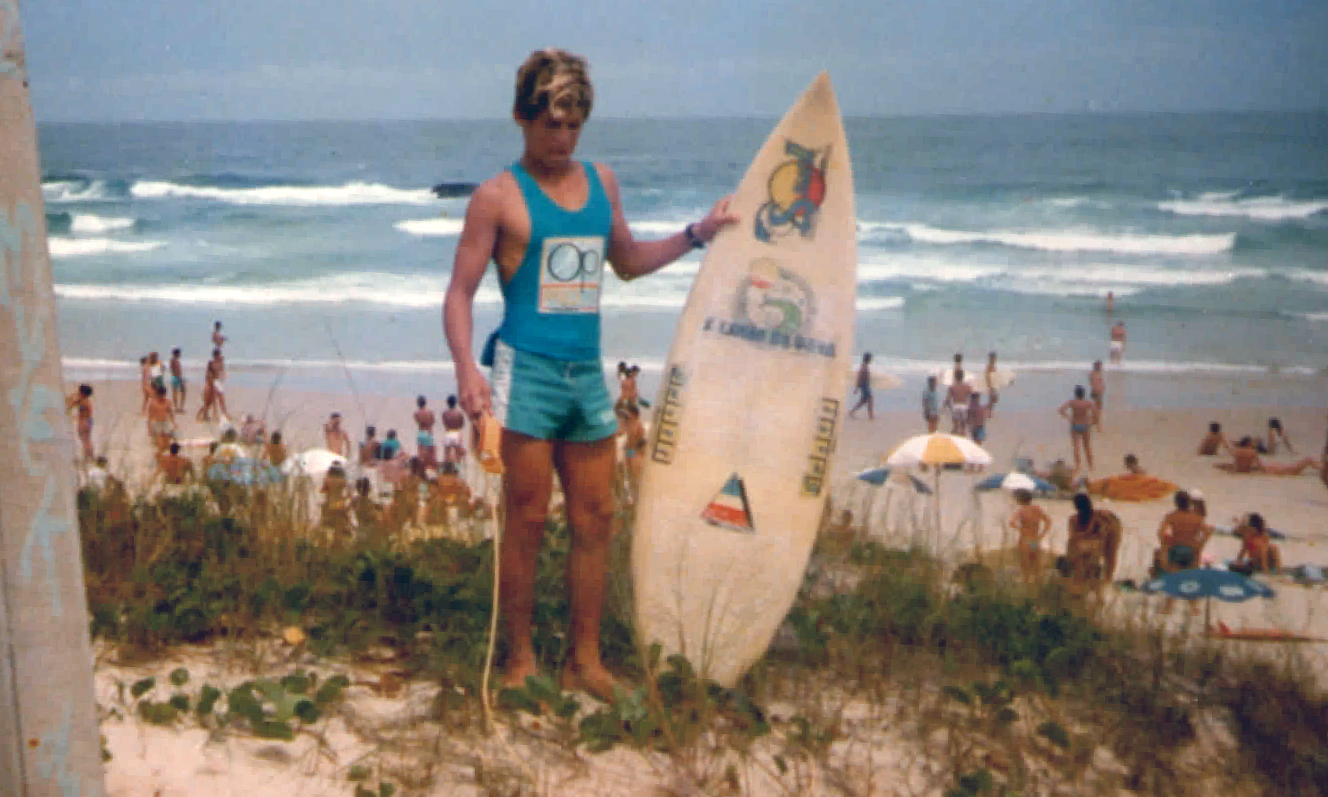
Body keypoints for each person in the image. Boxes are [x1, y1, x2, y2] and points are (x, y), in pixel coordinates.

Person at [442, 48, 736, 701]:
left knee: (597, 514)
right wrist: (468, 371)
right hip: (525, 373)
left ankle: (585, 660)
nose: (563, 138)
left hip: (584, 376)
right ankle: (518, 660)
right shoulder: (496, 198)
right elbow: (458, 293)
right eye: (551, 124)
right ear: (523, 117)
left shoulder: (602, 183)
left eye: (574, 125)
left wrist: (699, 232)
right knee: (526, 519)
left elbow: (627, 261)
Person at [1153, 492, 1212, 610]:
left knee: (1174, 579)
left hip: (1176, 549)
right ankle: (1194, 608)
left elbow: (1161, 532)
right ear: (1189, 503)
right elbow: (1207, 532)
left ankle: (1168, 607)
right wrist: (1199, 545)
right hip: (1191, 551)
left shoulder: (1171, 516)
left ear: (1176, 503)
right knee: (1191, 580)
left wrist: (1165, 545)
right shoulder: (1197, 517)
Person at [1062, 493, 1121, 598]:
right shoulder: (1092, 519)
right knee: (1110, 556)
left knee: (1107, 555)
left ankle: (1105, 581)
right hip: (1100, 536)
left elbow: (1072, 537)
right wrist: (1089, 532)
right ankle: (1106, 581)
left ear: (1075, 506)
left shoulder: (1078, 519)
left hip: (1102, 534)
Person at [1007, 488, 1051, 584]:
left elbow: (1011, 522)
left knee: (1025, 567)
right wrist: (1042, 535)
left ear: (1020, 499)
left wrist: (1021, 530)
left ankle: (1027, 587)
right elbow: (1048, 521)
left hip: (1025, 541)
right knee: (1036, 565)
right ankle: (1038, 587)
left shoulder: (1021, 510)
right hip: (1035, 540)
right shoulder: (1037, 508)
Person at [1216, 436, 1322, 476]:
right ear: (1248, 443)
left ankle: (1322, 468)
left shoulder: (1237, 451)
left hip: (1275, 469)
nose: (1254, 444)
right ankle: (1323, 469)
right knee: (1308, 460)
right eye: (1252, 442)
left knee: (1307, 462)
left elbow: (1236, 466)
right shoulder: (1253, 453)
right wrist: (1273, 471)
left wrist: (1223, 466)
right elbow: (1262, 469)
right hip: (1278, 470)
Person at [1057, 386, 1097, 473]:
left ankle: (1078, 467)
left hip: (1075, 424)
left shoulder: (1072, 402)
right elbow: (1095, 414)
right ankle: (1091, 466)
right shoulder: (1088, 403)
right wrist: (1092, 422)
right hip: (1085, 425)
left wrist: (1069, 417)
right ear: (1084, 393)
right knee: (1087, 447)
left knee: (1076, 447)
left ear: (1075, 393)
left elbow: (1060, 410)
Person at [618, 403, 647, 500]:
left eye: (628, 413)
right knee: (628, 473)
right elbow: (619, 433)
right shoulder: (628, 422)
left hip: (636, 451)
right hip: (629, 451)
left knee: (635, 475)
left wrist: (639, 450)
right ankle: (629, 496)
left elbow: (642, 440)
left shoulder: (638, 423)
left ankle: (636, 497)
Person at [65, 383, 95, 462]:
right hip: (88, 421)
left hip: (84, 422)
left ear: (83, 393)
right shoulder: (84, 400)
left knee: (85, 440)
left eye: (79, 391)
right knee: (87, 440)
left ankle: (88, 458)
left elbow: (70, 404)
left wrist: (73, 417)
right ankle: (89, 457)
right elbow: (69, 402)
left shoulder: (83, 401)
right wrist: (74, 395)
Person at [146, 384, 177, 453]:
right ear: (157, 394)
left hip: (165, 423)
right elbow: (150, 417)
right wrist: (149, 428)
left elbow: (171, 413)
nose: (162, 397)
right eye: (160, 395)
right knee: (161, 445)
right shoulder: (153, 403)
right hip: (156, 424)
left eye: (163, 395)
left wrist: (174, 423)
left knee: (167, 445)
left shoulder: (168, 402)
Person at [943, 369, 973, 435]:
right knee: (963, 428)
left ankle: (954, 440)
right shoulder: (967, 386)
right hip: (964, 407)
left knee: (955, 427)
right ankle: (962, 441)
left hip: (955, 406)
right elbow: (972, 396)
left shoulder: (952, 386)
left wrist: (944, 407)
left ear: (955, 376)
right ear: (963, 376)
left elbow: (948, 399)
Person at [441, 395, 467, 464]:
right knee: (457, 453)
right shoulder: (459, 413)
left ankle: (447, 469)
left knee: (447, 454)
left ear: (447, 403)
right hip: (456, 433)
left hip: (448, 433)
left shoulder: (445, 413)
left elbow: (444, 423)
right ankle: (457, 468)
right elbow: (462, 424)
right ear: (455, 403)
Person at [848, 352, 874, 420]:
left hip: (865, 385)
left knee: (863, 401)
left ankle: (852, 412)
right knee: (869, 399)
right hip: (864, 386)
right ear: (868, 359)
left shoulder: (865, 366)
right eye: (870, 358)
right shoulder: (864, 367)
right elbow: (859, 377)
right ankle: (870, 416)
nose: (871, 359)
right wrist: (856, 388)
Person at [414, 395, 438, 469]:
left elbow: (418, 422)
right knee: (430, 452)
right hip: (428, 433)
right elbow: (433, 422)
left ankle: (420, 467)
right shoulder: (430, 412)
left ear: (418, 403)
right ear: (425, 403)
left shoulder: (416, 413)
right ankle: (429, 467)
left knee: (420, 452)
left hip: (421, 433)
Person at [1088, 360, 1105, 431]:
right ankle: (1097, 425)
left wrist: (1102, 387)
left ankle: (1094, 422)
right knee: (1097, 409)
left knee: (1098, 408)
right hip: (1096, 392)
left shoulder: (1097, 373)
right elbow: (1094, 383)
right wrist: (1099, 390)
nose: (1101, 367)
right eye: (1100, 366)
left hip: (1098, 392)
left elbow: (1099, 382)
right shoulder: (1093, 373)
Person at [169, 348, 186, 414]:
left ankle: (178, 408)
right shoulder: (174, 360)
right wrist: (180, 378)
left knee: (176, 393)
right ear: (177, 354)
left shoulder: (174, 360)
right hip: (177, 377)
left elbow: (173, 369)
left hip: (175, 377)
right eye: (179, 353)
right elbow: (175, 370)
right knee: (181, 392)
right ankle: (179, 408)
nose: (180, 355)